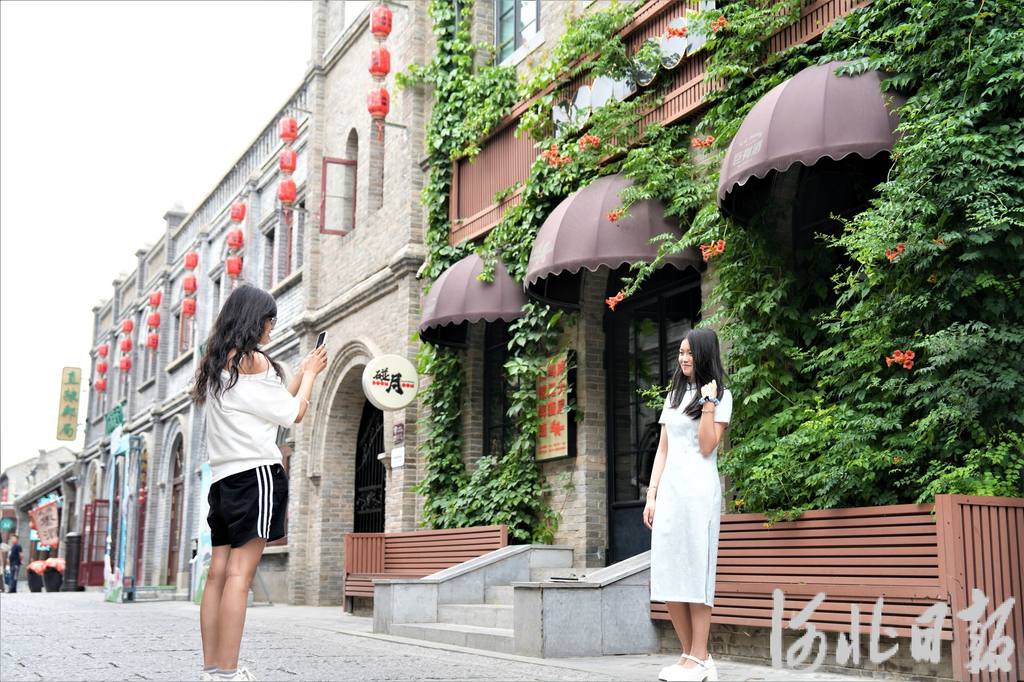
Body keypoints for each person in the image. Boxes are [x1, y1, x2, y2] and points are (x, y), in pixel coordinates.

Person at [190, 284, 328, 682]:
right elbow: (292, 414)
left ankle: (213, 671)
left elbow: (267, 407)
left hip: (223, 482)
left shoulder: (216, 365)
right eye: (270, 320)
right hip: (257, 478)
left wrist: (299, 374)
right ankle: (229, 673)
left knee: (218, 574)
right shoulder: (255, 361)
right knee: (240, 576)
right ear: (256, 320)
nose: (272, 328)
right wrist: (312, 375)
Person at [644, 328, 733, 682]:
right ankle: (692, 656)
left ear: (704, 355)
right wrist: (652, 494)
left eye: (689, 353)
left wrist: (708, 404)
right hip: (671, 493)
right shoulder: (674, 395)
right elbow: (663, 449)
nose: (683, 358)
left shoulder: (722, 396)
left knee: (697, 573)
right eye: (681, 352)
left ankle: (699, 657)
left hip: (699, 494)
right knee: (668, 572)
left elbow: (708, 445)